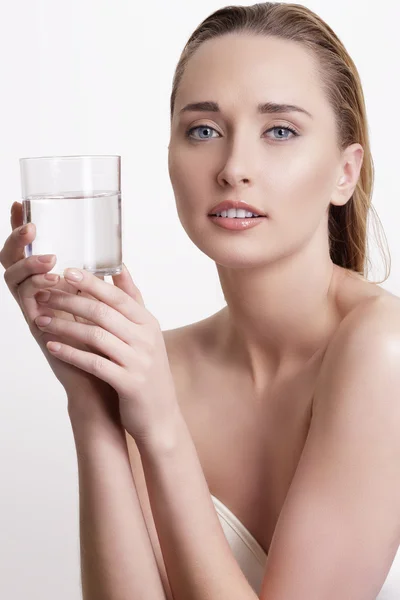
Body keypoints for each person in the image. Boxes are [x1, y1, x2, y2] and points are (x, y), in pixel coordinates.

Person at [2, 3, 400, 599]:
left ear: (345, 173)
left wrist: (161, 424)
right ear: (169, 160)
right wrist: (93, 406)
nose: (234, 168)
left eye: (280, 131)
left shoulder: (381, 350)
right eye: (204, 131)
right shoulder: (151, 364)